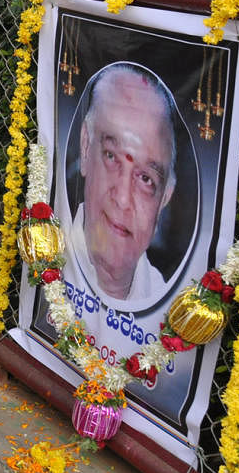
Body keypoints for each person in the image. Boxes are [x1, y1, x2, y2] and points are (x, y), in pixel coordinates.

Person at [69, 62, 177, 304]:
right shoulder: (43, 245)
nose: (122, 199)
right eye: (111, 156)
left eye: (146, 179)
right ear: (85, 147)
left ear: (164, 199)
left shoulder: (173, 309)